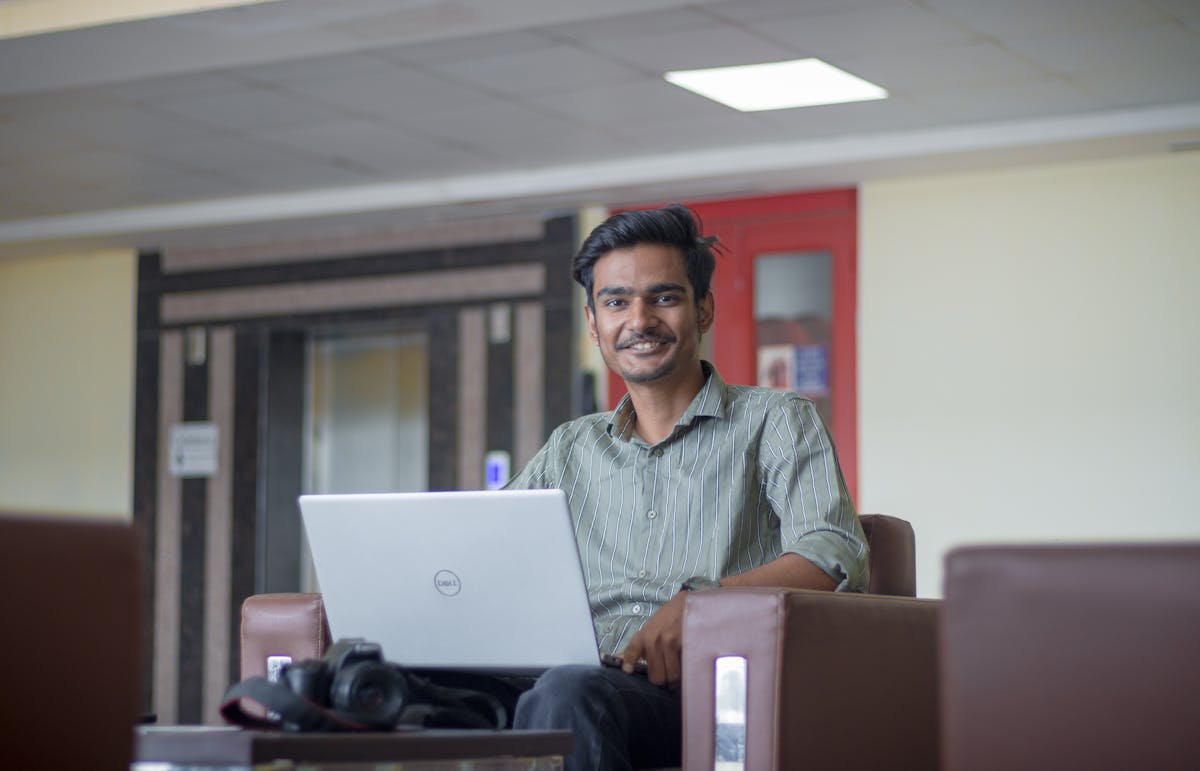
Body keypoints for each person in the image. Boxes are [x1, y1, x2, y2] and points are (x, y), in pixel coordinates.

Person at [505, 204, 868, 770]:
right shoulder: (571, 448)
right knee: (373, 688)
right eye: (616, 301)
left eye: (664, 297)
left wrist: (701, 605)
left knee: (566, 694)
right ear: (593, 322)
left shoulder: (775, 420)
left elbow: (832, 552)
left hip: (703, 689)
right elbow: (491, 547)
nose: (639, 320)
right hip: (578, 670)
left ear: (704, 309)